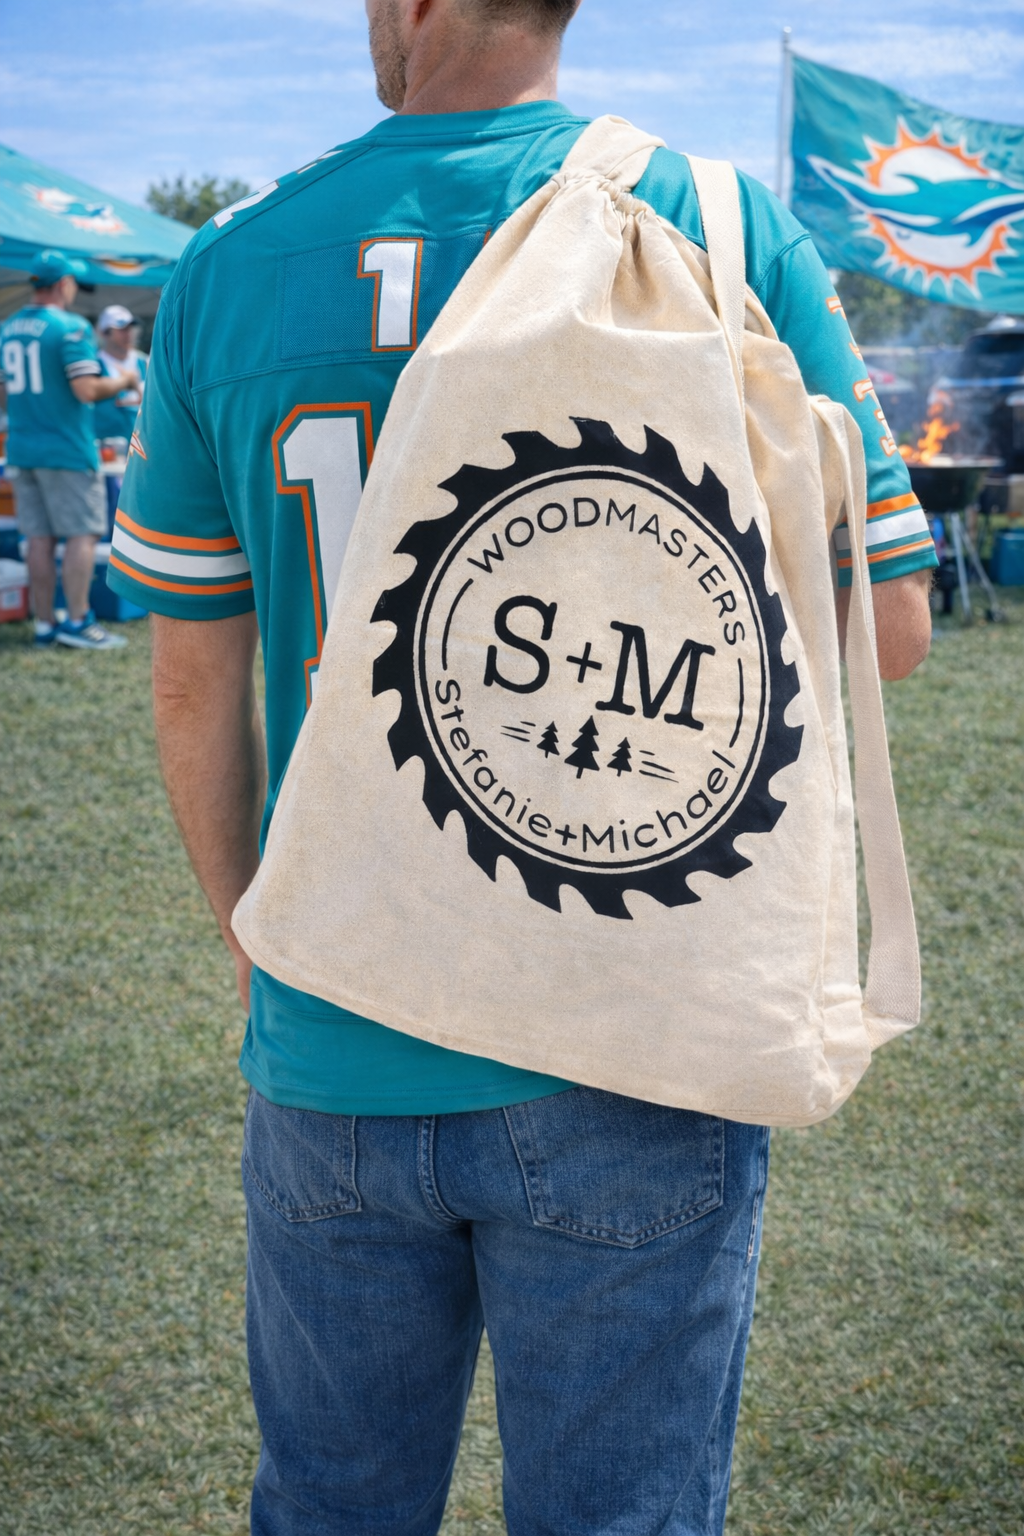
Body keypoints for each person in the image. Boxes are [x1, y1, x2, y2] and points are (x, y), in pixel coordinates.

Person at [108, 2, 936, 1531]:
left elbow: (187, 677)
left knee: (332, 1509)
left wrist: (259, 933)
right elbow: (886, 629)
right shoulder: (720, 228)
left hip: (336, 1014)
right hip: (630, 1024)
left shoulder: (227, 266)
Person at [0, 250, 136, 649]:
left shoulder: (8, 327)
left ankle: (46, 624)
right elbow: (87, 389)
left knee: (38, 539)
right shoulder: (71, 327)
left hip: (23, 450)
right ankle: (78, 622)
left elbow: (4, 397)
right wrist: (124, 380)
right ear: (63, 284)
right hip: (67, 449)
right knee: (82, 534)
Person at [94, 304, 148, 444]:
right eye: (121, 329)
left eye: (130, 328)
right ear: (104, 333)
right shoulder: (93, 366)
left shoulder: (145, 363)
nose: (128, 334)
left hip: (142, 449)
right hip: (106, 449)